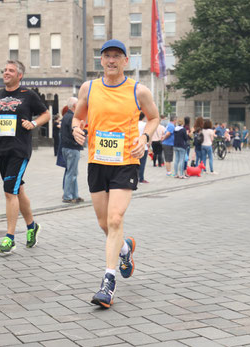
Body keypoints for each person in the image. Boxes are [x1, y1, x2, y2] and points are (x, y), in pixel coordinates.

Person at [71, 39, 159, 308]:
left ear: (125, 61)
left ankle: (108, 283)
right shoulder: (90, 87)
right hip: (97, 161)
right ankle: (124, 249)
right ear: (101, 60)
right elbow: (78, 117)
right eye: (106, 56)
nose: (111, 60)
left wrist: (145, 137)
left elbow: (154, 117)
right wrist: (76, 128)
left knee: (115, 217)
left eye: (116, 56)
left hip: (126, 161)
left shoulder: (138, 90)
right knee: (104, 224)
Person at [0, 60, 51, 253]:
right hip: (1, 150)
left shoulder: (28, 95)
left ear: (20, 75)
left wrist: (34, 124)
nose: (6, 73)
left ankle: (9, 238)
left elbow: (46, 114)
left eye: (11, 70)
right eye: (5, 70)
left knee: (9, 192)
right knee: (18, 190)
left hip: (20, 150)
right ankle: (32, 227)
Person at [60, 97, 84, 203]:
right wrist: (84, 131)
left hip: (67, 147)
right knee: (72, 173)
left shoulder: (66, 116)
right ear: (74, 106)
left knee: (73, 172)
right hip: (72, 147)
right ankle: (67, 196)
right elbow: (74, 133)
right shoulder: (72, 118)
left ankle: (74, 194)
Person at [137, 112, 150, 183]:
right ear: (143, 117)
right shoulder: (145, 125)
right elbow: (148, 135)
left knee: (134, 163)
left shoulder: (134, 124)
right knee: (142, 163)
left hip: (134, 146)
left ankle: (134, 177)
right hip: (143, 146)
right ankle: (141, 178)